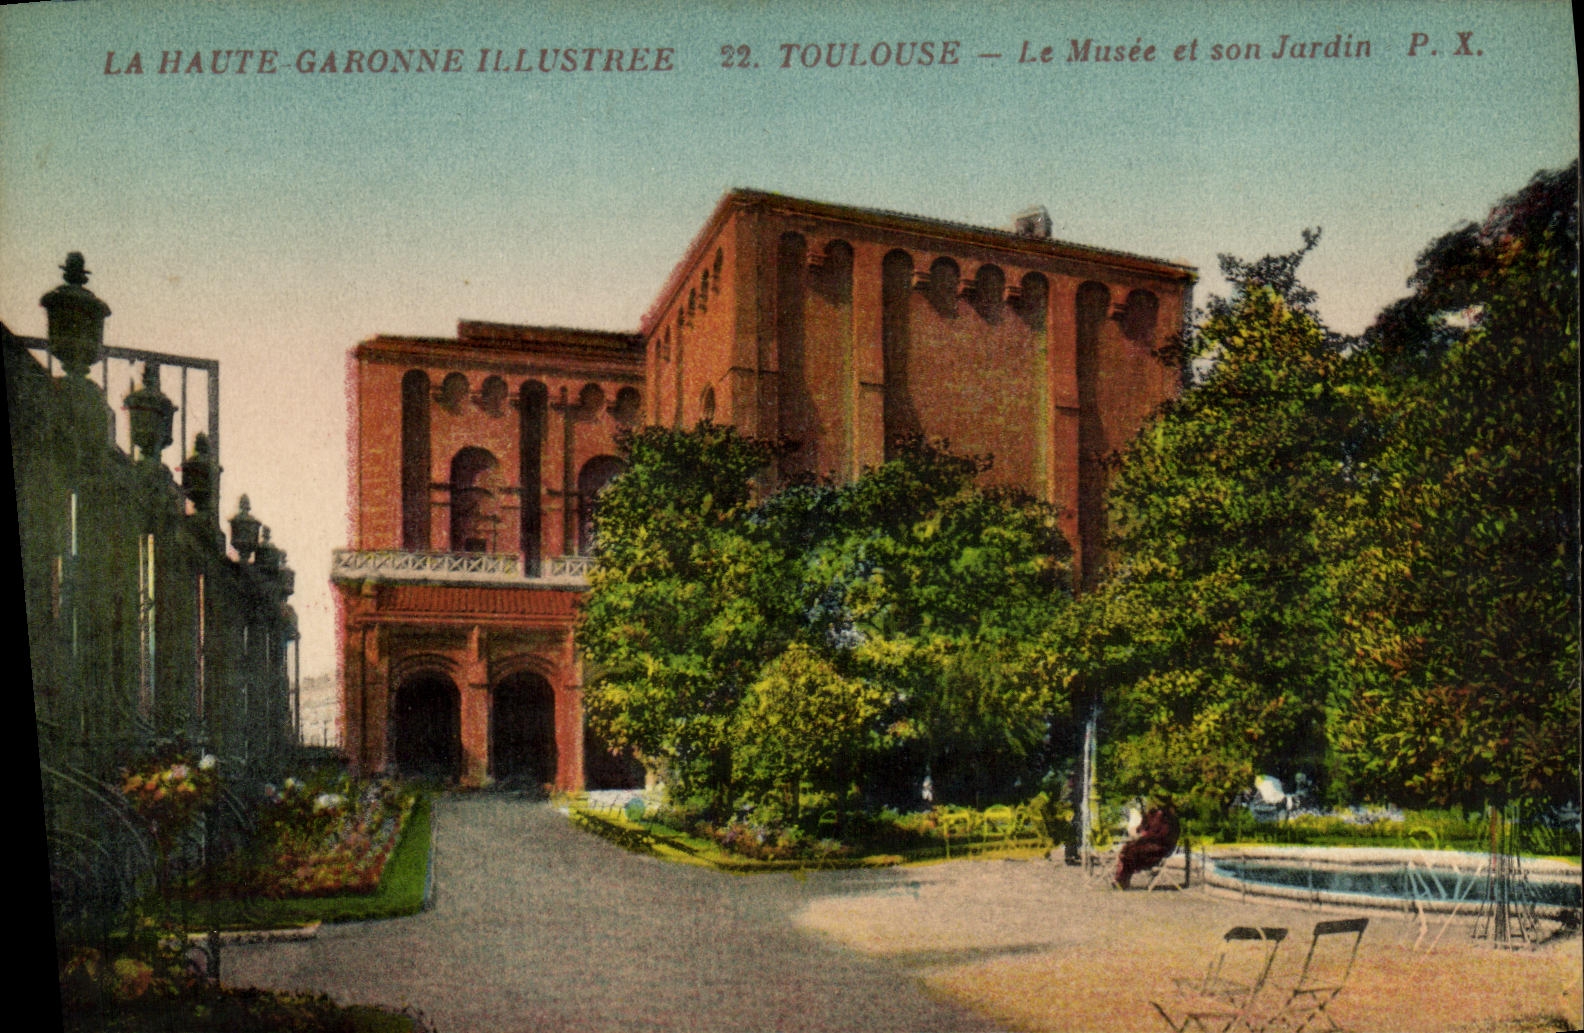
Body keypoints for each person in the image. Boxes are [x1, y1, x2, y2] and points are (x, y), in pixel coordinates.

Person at [1114, 796, 1179, 889]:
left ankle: (1122, 880)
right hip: (1148, 845)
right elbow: (1142, 827)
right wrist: (1136, 831)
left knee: (1131, 851)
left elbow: (1160, 836)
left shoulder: (1167, 818)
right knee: (1127, 849)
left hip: (1158, 849)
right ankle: (1121, 879)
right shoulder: (1151, 814)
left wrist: (1143, 835)